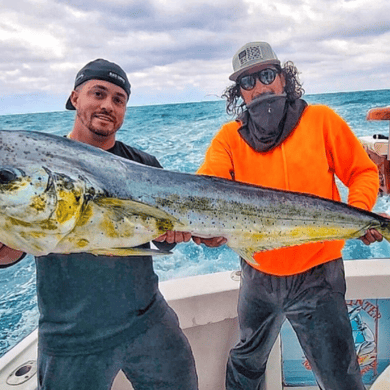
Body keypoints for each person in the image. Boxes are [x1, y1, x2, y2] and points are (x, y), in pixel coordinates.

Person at [194, 42, 383, 390]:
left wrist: (359, 211)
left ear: (283, 79)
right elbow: (209, 192)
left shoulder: (321, 120)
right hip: (258, 277)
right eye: (248, 82)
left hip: (318, 278)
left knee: (339, 375)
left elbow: (363, 173)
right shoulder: (228, 139)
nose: (260, 87)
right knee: (245, 364)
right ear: (240, 93)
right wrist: (204, 227)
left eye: (267, 75)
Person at [0, 59, 198, 390]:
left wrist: (171, 237)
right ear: (75, 97)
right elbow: (10, 251)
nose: (108, 105)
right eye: (98, 93)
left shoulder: (145, 165)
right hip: (71, 338)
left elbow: (161, 243)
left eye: (118, 99)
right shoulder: (41, 166)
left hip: (148, 320)